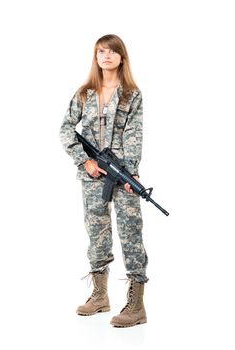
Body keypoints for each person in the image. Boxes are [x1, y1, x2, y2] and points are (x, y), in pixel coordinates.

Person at [60, 34, 148, 327]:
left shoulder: (131, 94)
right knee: (96, 232)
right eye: (101, 51)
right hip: (91, 175)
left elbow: (134, 134)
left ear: (122, 57)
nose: (106, 56)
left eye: (112, 51)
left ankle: (136, 305)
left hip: (121, 172)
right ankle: (100, 296)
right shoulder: (85, 92)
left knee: (130, 232)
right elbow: (66, 129)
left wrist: (131, 171)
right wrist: (84, 160)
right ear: (95, 57)